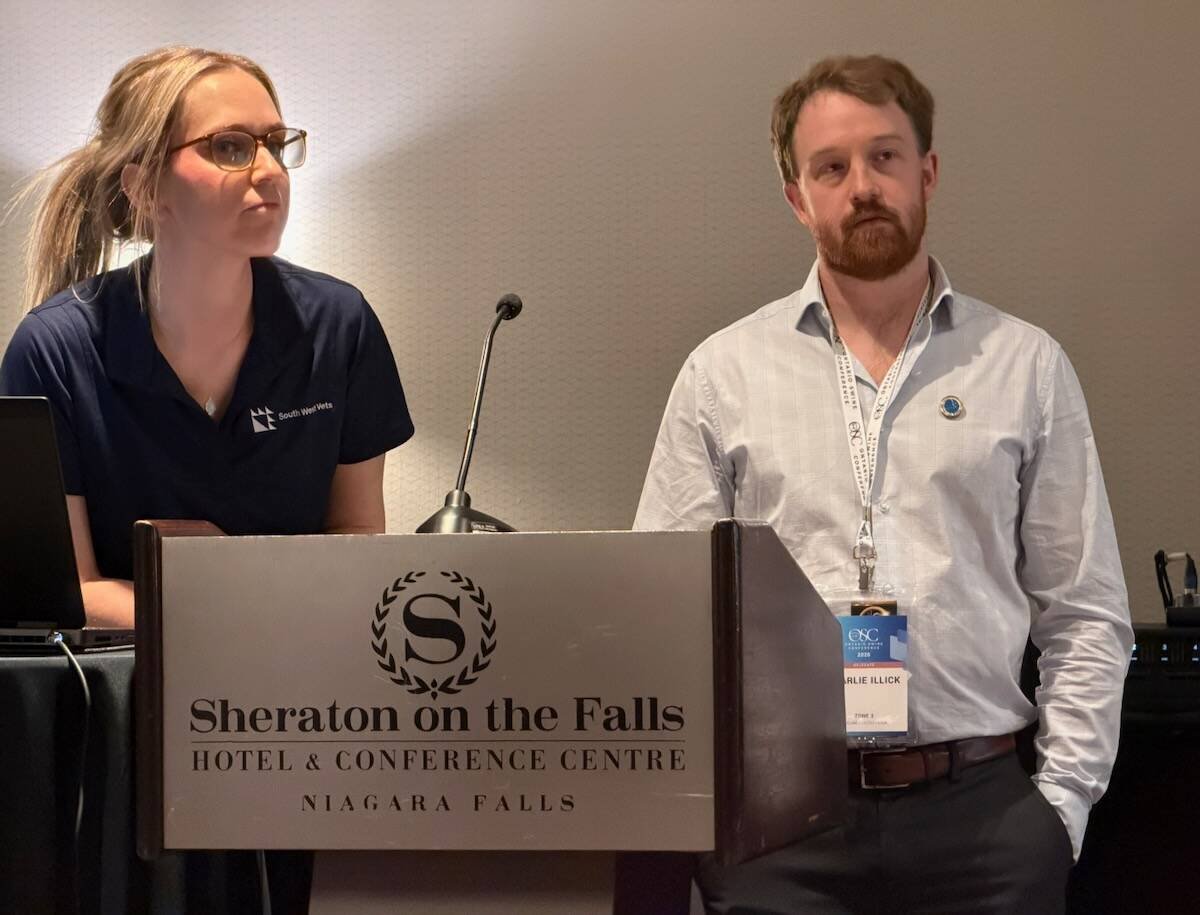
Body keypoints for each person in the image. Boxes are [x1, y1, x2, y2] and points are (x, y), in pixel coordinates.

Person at [634, 54, 1132, 914]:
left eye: (885, 157)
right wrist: (703, 824)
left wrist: (1061, 809)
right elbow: (665, 610)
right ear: (797, 196)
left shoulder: (1026, 366)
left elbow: (1085, 612)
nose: (862, 185)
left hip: (983, 821)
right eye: (831, 167)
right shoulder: (722, 375)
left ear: (928, 173)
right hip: (779, 834)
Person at [0, 47, 414, 630]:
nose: (270, 171)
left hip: (299, 671)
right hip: (124, 688)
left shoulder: (338, 324)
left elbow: (356, 535)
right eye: (230, 148)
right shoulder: (53, 350)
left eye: (275, 143)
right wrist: (235, 618)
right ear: (144, 188)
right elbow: (74, 589)